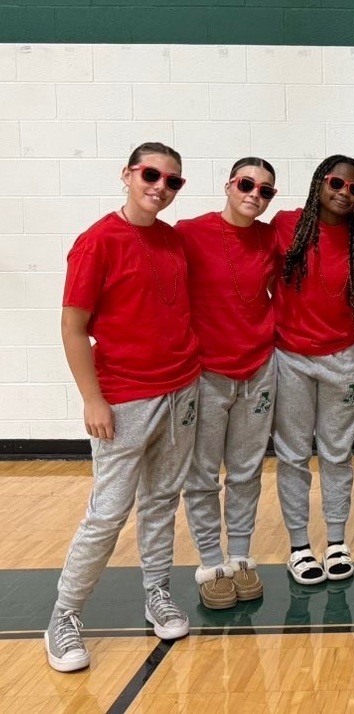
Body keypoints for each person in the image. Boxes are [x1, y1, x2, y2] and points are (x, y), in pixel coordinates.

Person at [46, 142, 199, 672]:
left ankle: (157, 591)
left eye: (173, 180)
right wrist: (93, 398)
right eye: (151, 174)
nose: (160, 186)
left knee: (161, 501)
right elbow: (72, 327)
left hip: (182, 390)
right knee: (108, 513)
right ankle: (64, 615)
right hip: (124, 398)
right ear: (128, 175)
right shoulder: (97, 242)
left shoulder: (173, 240)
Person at [177, 158, 278, 609]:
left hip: (258, 369)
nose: (254, 194)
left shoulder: (269, 238)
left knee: (246, 470)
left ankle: (239, 555)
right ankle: (211, 561)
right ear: (228, 185)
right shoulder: (188, 232)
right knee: (202, 473)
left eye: (265, 190)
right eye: (246, 184)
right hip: (206, 374)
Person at [271, 154, 354, 586]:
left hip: (342, 358)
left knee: (336, 453)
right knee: (293, 455)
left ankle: (335, 542)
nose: (343, 192)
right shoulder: (285, 224)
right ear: (318, 183)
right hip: (290, 358)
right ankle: (299, 547)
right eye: (336, 182)